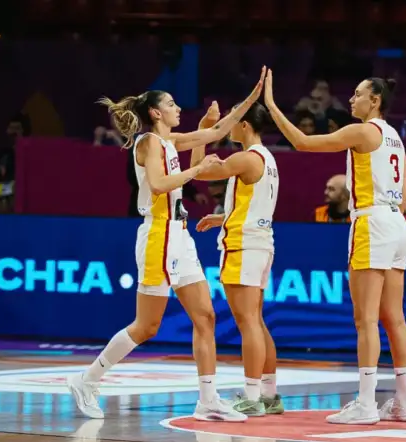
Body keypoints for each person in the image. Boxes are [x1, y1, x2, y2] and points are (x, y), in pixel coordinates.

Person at [67, 67, 267, 422]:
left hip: (180, 235)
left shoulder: (170, 141)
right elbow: (159, 185)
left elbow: (216, 131)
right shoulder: (148, 142)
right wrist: (196, 170)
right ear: (156, 112)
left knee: (205, 316)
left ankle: (208, 400)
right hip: (158, 234)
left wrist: (254, 97)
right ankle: (87, 380)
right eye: (171, 104)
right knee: (147, 326)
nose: (178, 108)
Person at [263, 71, 406, 425]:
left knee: (365, 320)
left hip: (371, 222)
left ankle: (366, 403)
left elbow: (303, 142)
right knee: (394, 318)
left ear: (374, 100)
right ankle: (405, 401)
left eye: (358, 94)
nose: (351, 99)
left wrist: (271, 105)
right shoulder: (395, 137)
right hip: (398, 224)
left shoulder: (363, 131)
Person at [193, 101, 284, 417]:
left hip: (244, 247)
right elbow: (255, 206)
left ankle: (252, 396)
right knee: (256, 321)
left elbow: (198, 171)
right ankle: (269, 395)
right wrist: (223, 218)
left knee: (248, 322)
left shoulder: (245, 158)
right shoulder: (267, 159)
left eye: (233, 120)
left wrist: (204, 131)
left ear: (245, 125)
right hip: (260, 244)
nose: (228, 125)